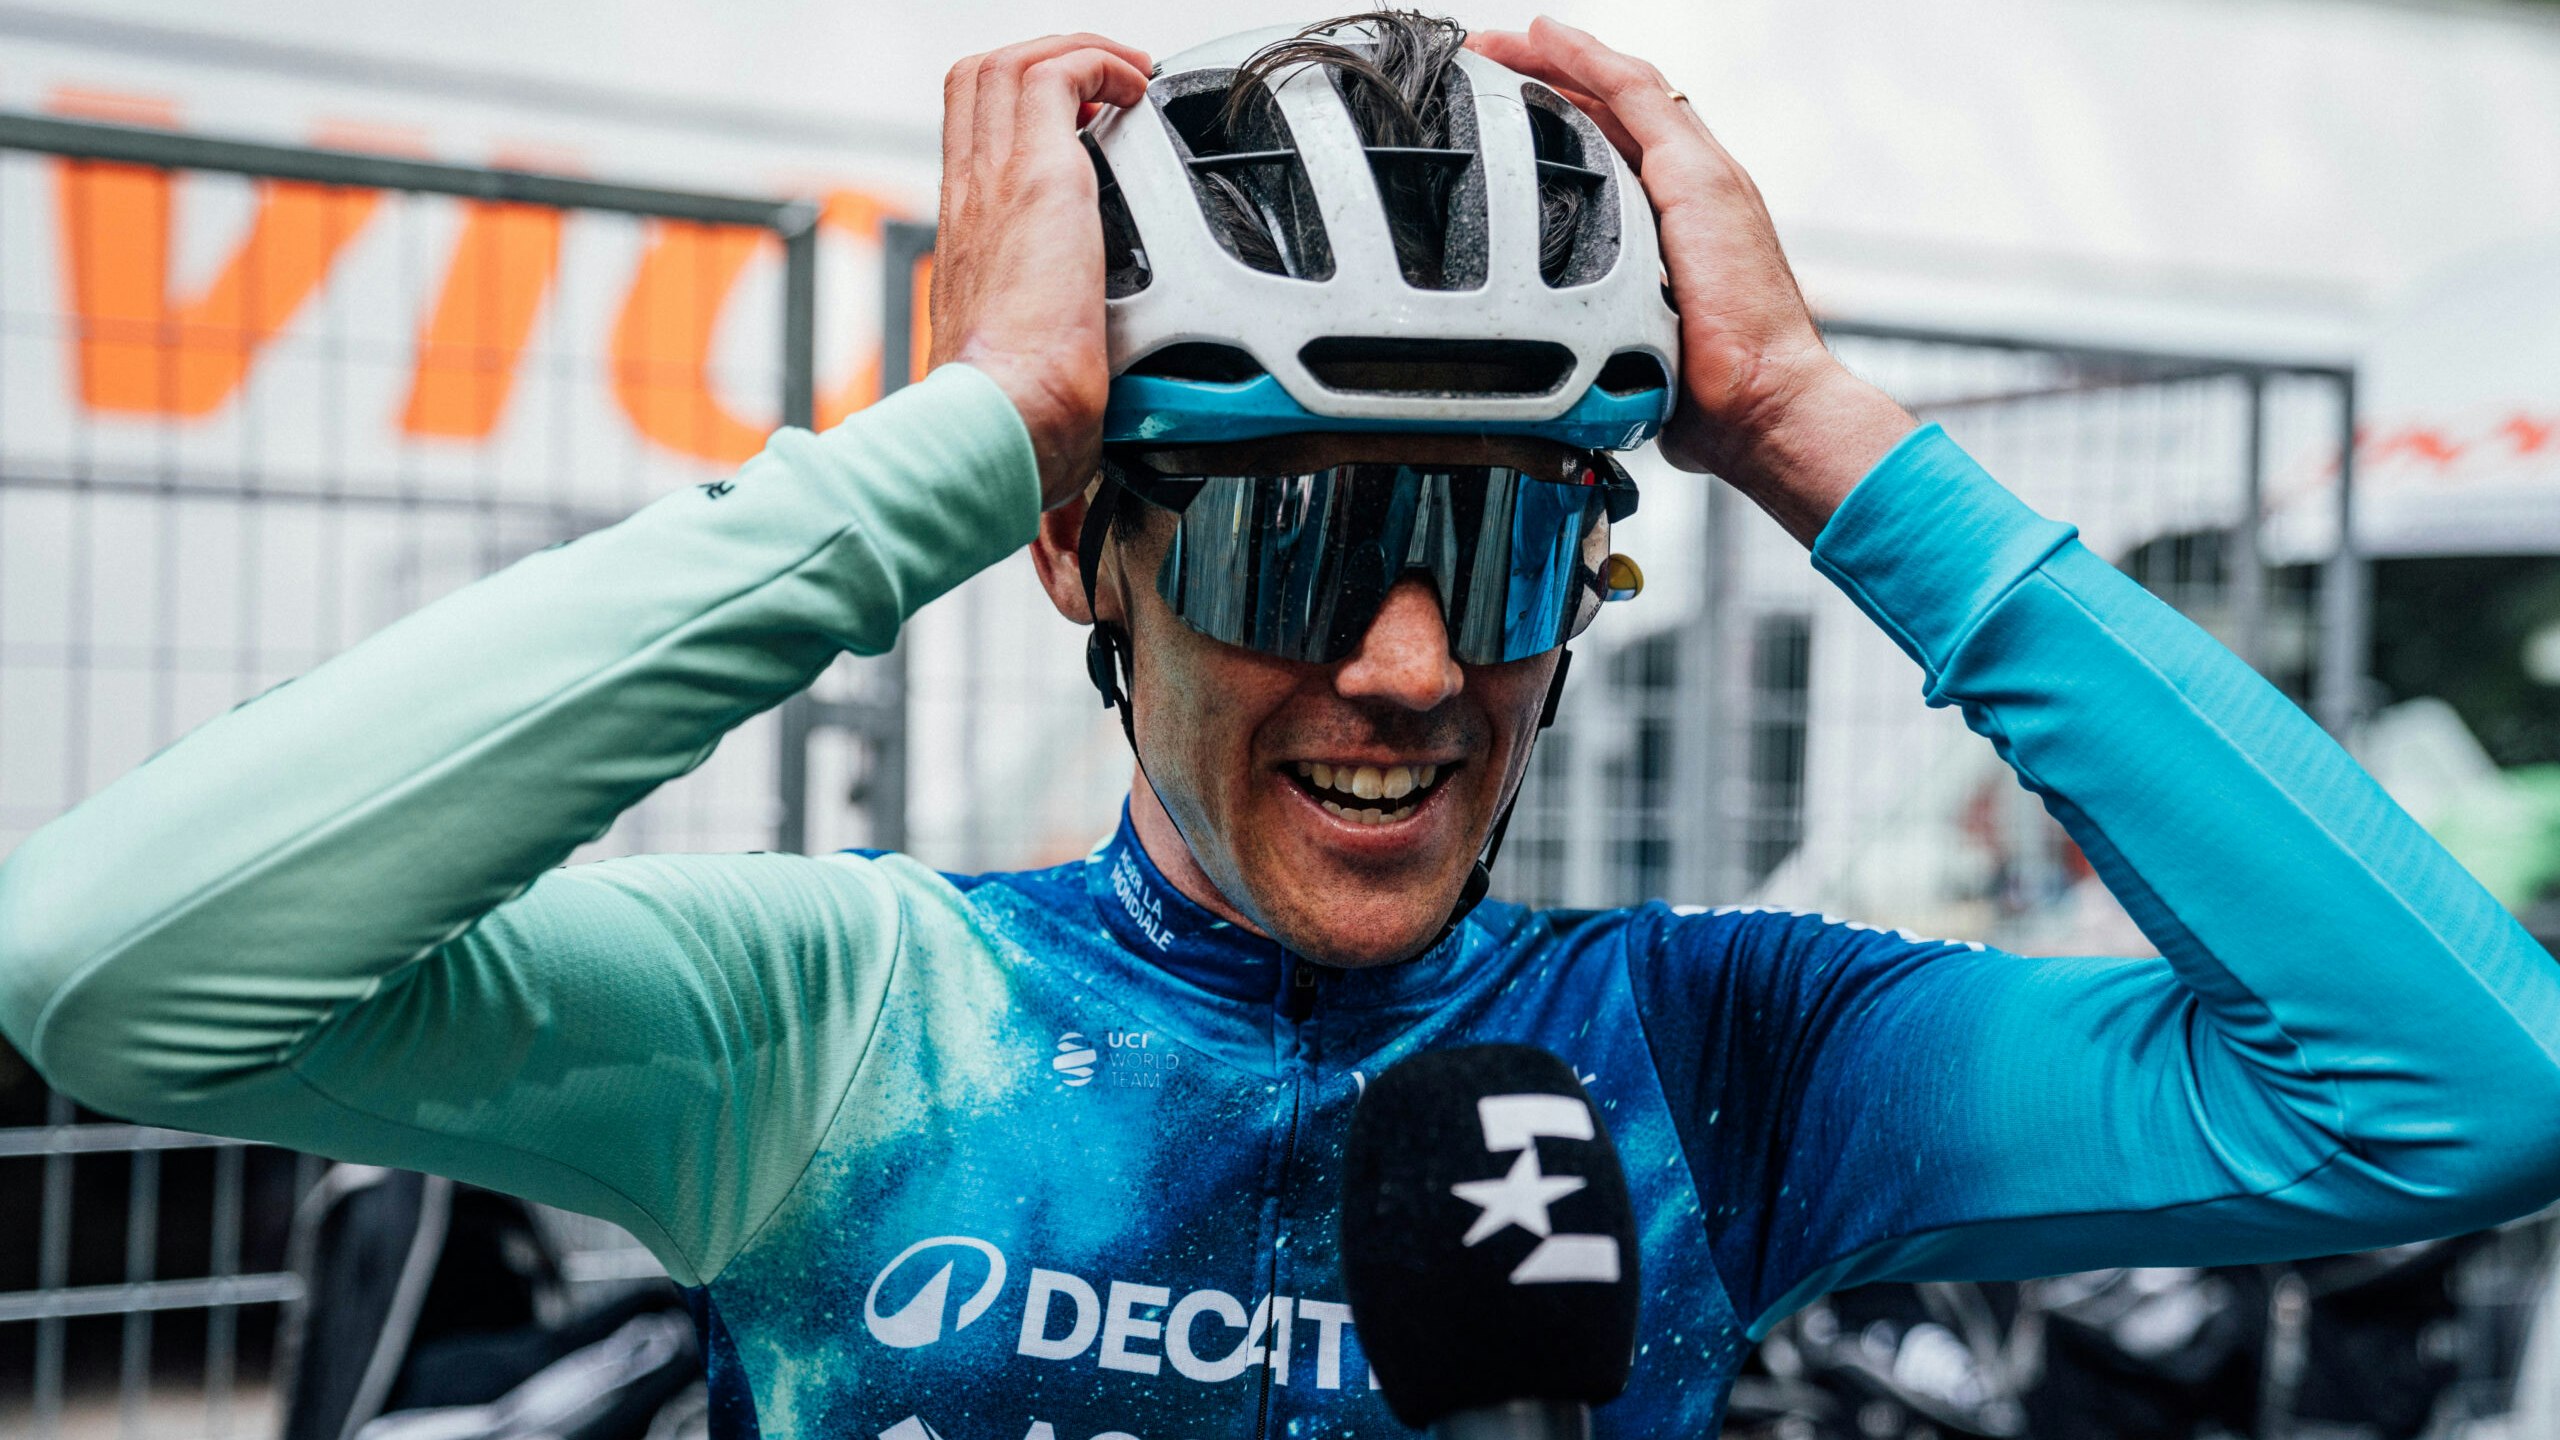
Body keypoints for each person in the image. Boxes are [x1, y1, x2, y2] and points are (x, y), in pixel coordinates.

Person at [2, 12, 2555, 1440]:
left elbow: (2451, 1084)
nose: (1416, 667)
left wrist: (1802, 425)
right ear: (1086, 558)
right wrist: (960, 436)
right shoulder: (840, 1019)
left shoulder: (1724, 1060)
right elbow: (114, 964)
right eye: (1297, 548)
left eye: (1512, 550)